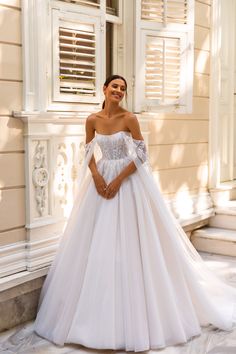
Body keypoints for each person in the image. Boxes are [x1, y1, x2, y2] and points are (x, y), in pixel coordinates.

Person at [34, 75, 236, 352]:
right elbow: (88, 150)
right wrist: (96, 176)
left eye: (123, 88)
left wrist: (118, 180)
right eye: (114, 86)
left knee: (131, 240)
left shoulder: (130, 118)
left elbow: (141, 154)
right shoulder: (92, 119)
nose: (118, 91)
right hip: (100, 180)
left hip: (128, 182)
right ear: (104, 89)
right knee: (96, 242)